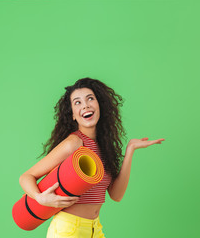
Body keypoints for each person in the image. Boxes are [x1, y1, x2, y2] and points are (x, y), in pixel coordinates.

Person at [19, 77, 165, 238]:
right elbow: (26, 176)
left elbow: (116, 195)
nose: (86, 105)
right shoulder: (74, 143)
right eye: (77, 102)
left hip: (95, 229)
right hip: (68, 230)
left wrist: (130, 150)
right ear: (73, 115)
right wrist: (40, 198)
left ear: (99, 105)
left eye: (90, 99)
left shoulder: (104, 147)